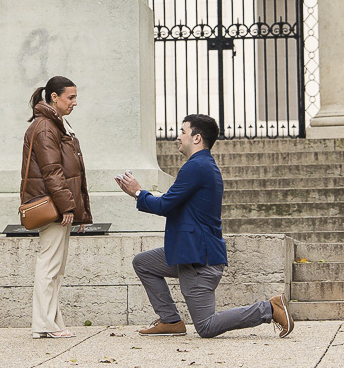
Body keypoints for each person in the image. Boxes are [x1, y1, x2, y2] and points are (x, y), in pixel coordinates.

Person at [115, 114, 294, 339]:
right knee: (144, 263)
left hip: (200, 260)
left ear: (197, 138)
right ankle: (170, 320)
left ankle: (269, 308)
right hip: (189, 252)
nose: (178, 137)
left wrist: (138, 192)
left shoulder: (196, 167)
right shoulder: (200, 165)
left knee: (206, 326)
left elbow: (166, 205)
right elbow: (173, 203)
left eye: (183, 131)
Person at [23, 75, 92, 339]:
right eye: (70, 97)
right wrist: (67, 207)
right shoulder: (45, 127)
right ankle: (44, 324)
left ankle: (50, 322)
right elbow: (52, 171)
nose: (75, 102)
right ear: (54, 97)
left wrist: (76, 210)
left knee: (55, 267)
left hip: (59, 204)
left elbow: (70, 171)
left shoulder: (56, 124)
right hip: (53, 206)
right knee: (49, 265)